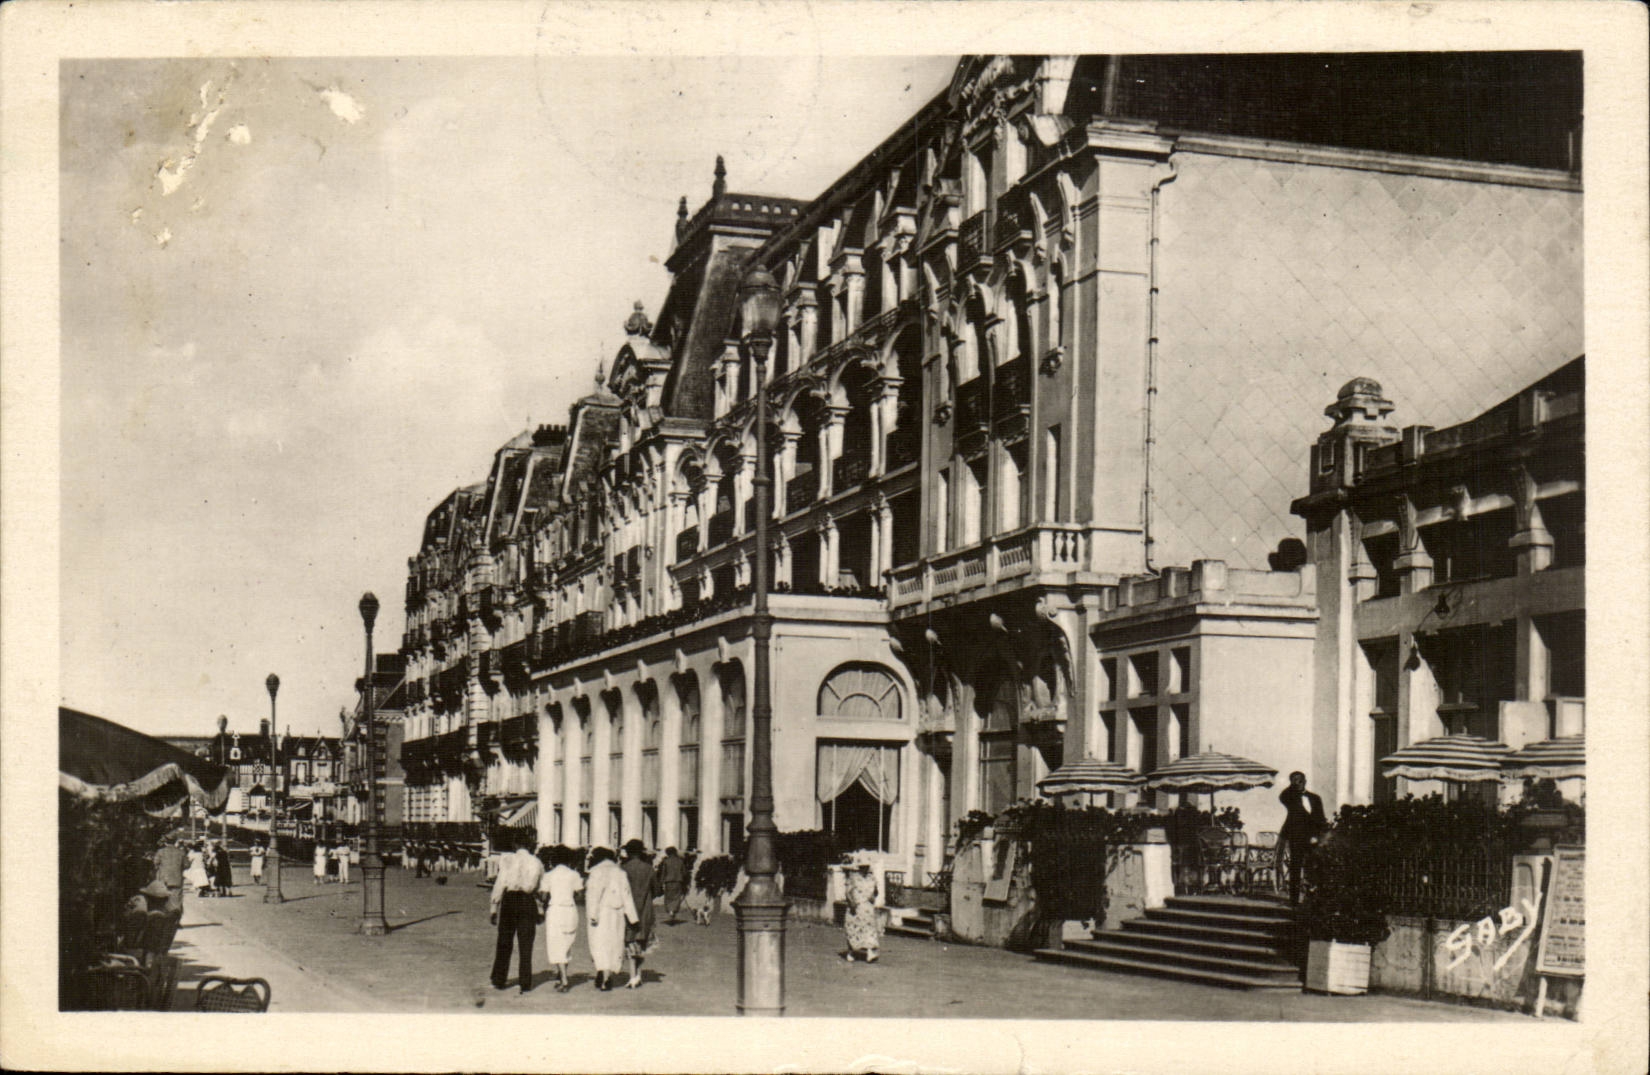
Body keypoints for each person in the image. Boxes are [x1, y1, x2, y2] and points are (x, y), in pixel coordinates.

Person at [489, 842, 545, 994]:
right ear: (530, 846)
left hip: (510, 900)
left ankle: (499, 979)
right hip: (527, 901)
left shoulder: (508, 860)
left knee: (504, 941)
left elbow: (500, 884)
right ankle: (525, 983)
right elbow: (540, 889)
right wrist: (540, 911)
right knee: (526, 943)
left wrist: (494, 908)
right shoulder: (536, 862)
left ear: (515, 846)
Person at [583, 847, 636, 991]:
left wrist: (593, 915)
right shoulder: (620, 873)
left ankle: (603, 974)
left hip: (601, 914)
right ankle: (606, 975)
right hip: (617, 914)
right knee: (614, 944)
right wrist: (632, 917)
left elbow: (593, 896)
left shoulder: (596, 872)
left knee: (600, 944)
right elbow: (627, 895)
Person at [537, 845, 584, 993]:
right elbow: (580, 895)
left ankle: (563, 979)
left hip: (555, 911)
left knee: (556, 944)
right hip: (570, 909)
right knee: (567, 943)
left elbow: (543, 896)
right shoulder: (574, 875)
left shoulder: (549, 875)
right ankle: (561, 975)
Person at [1277, 770, 1327, 904]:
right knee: (1295, 866)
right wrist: (1292, 786)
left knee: (1314, 866)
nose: (1297, 782)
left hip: (1312, 837)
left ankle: (1313, 896)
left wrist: (1317, 835)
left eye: (1299, 780)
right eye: (1294, 780)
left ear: (1305, 781)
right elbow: (1283, 796)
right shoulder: (1290, 797)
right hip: (1296, 836)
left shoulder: (1315, 798)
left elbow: (1320, 818)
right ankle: (1294, 899)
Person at [619, 840, 657, 989]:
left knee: (629, 940)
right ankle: (638, 974)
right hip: (646, 909)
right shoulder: (649, 868)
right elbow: (657, 889)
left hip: (628, 909)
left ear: (628, 852)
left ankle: (632, 975)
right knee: (641, 941)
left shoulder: (623, 869)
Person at [842, 863, 882, 963]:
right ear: (859, 867)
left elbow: (876, 891)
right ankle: (851, 952)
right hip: (855, 908)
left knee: (869, 930)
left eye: (867, 867)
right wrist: (851, 902)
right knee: (854, 931)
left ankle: (870, 953)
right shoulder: (853, 878)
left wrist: (874, 895)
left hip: (867, 908)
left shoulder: (871, 878)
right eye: (863, 867)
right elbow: (847, 892)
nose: (865, 869)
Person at [657, 846, 688, 925]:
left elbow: (663, 873)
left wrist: (661, 883)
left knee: (668, 897)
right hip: (678, 881)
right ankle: (673, 910)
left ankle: (670, 910)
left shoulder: (666, 861)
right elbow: (684, 873)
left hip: (668, 882)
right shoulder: (680, 861)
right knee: (677, 897)